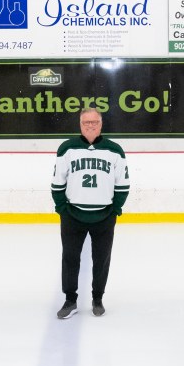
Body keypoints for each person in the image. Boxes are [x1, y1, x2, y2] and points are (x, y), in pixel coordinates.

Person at [51, 108, 129, 319]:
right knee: (70, 258)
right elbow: (57, 184)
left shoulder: (115, 150)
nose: (90, 125)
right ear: (80, 124)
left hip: (104, 217)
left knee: (102, 259)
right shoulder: (67, 148)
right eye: (86, 122)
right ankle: (70, 300)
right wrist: (62, 209)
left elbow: (123, 184)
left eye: (94, 122)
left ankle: (98, 298)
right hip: (73, 216)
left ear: (101, 123)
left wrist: (115, 210)